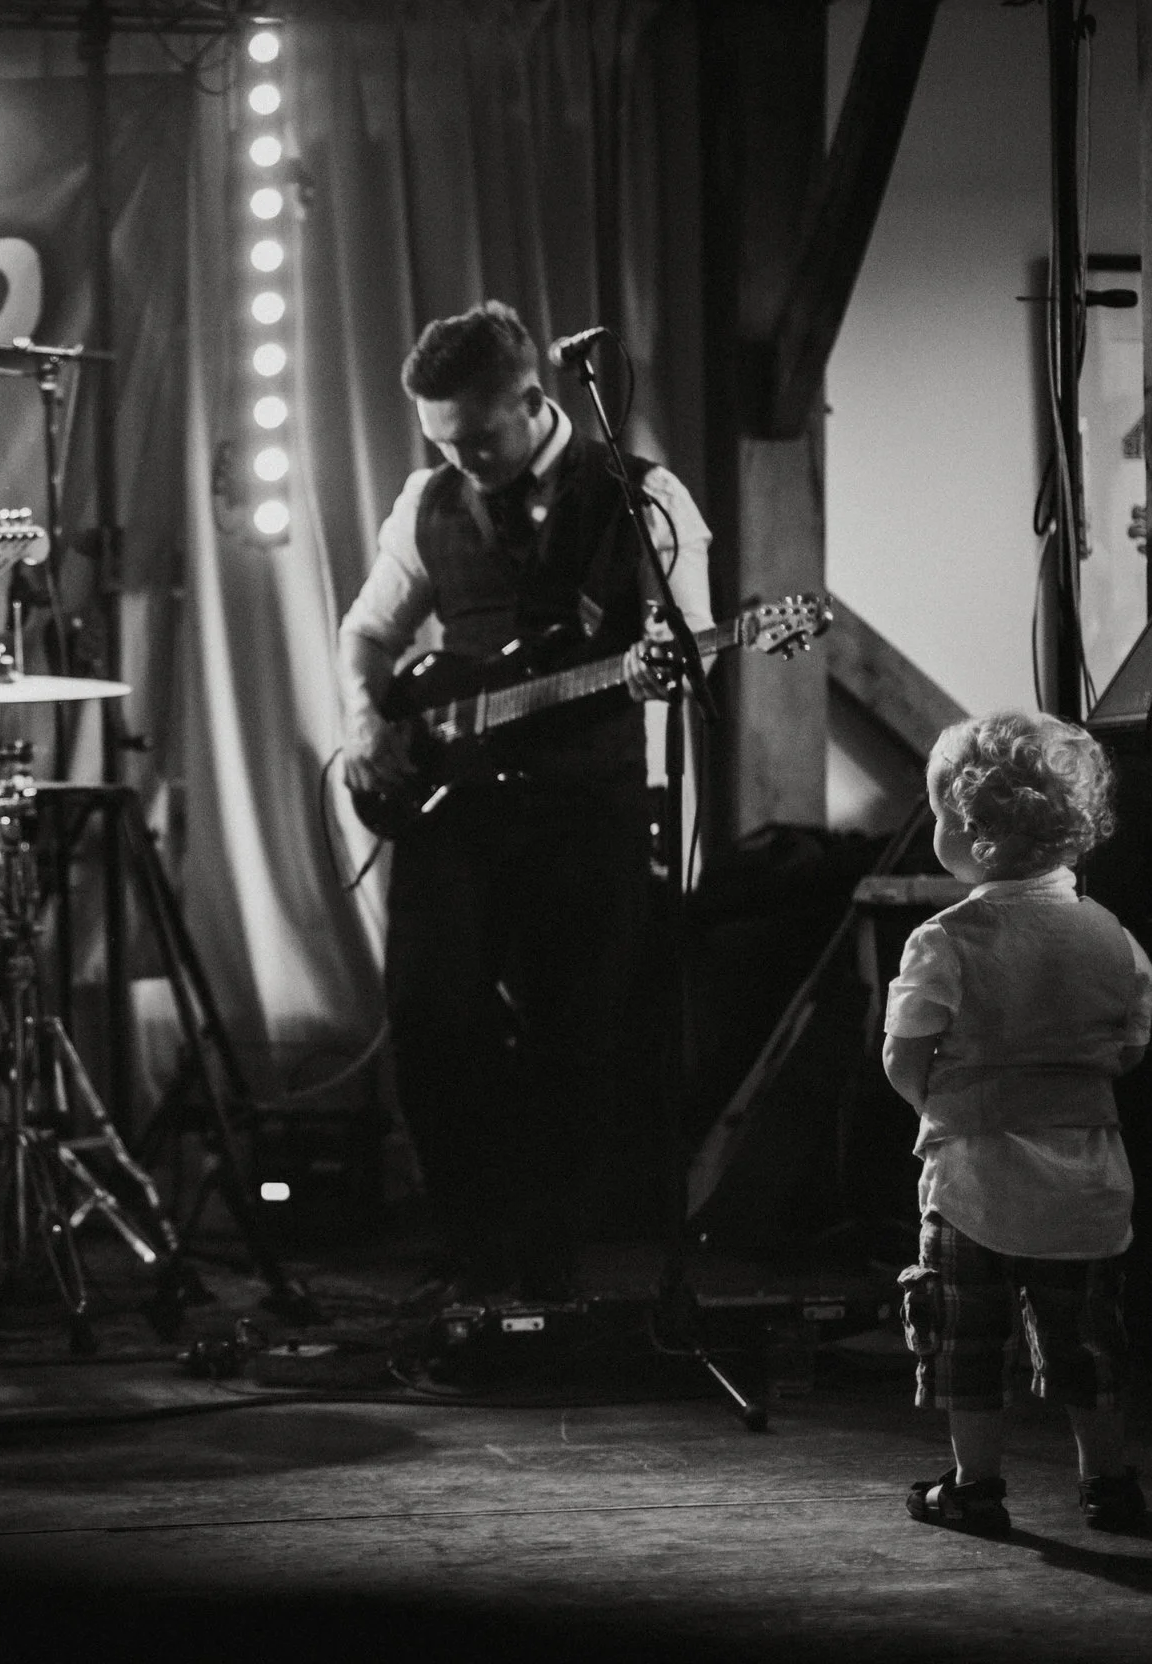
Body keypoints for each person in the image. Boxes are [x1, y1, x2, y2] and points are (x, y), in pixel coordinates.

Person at [337, 302, 710, 1305]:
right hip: (452, 810)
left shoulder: (644, 497)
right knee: (427, 1019)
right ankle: (470, 1250)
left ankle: (545, 1269)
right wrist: (369, 729)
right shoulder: (428, 498)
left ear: (534, 401)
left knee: (571, 1041)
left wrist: (654, 671)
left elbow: (692, 646)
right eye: (443, 442)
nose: (463, 460)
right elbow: (365, 635)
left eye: (478, 438)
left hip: (581, 810)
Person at [884, 712, 1152, 1536]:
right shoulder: (1115, 938)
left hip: (974, 1182)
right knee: (1088, 1345)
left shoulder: (944, 942)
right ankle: (1107, 1483)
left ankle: (977, 1486)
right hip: (1086, 1180)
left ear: (972, 832)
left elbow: (903, 1057)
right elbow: (1127, 1049)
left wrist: (944, 1107)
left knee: (966, 1341)